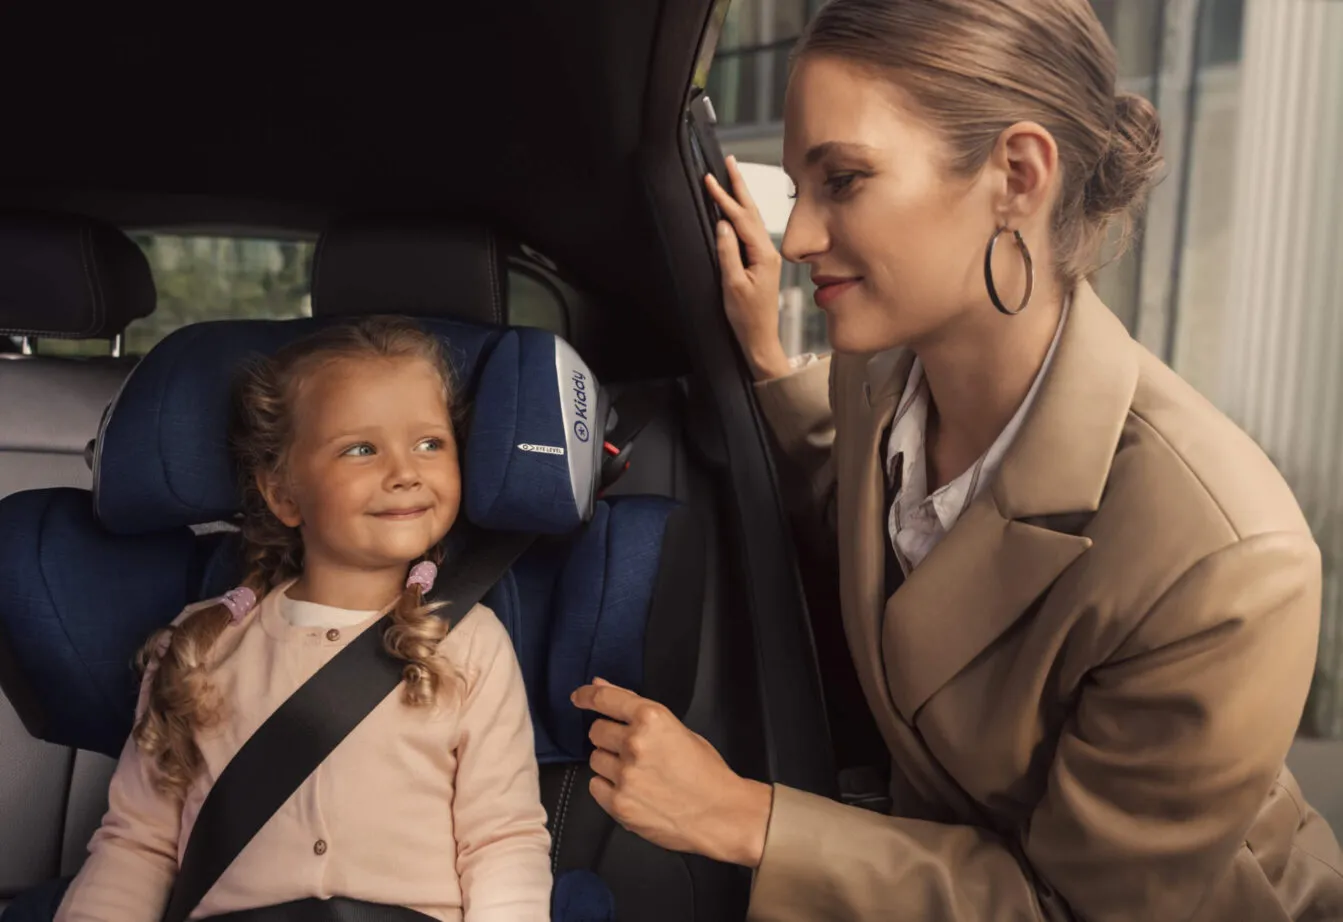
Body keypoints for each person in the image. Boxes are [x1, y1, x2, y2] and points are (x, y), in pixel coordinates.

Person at [570, 0, 1343, 918]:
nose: (800, 238)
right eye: (800, 189)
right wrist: (768, 363)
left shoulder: (1226, 562)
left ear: (1016, 174)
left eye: (844, 180)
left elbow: (1073, 909)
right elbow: (855, 488)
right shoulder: (879, 377)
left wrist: (744, 819)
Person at [56, 317, 552, 922]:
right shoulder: (202, 645)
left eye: (430, 443)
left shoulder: (470, 645)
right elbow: (138, 845)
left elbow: (502, 842)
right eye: (361, 449)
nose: (405, 470)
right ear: (284, 493)